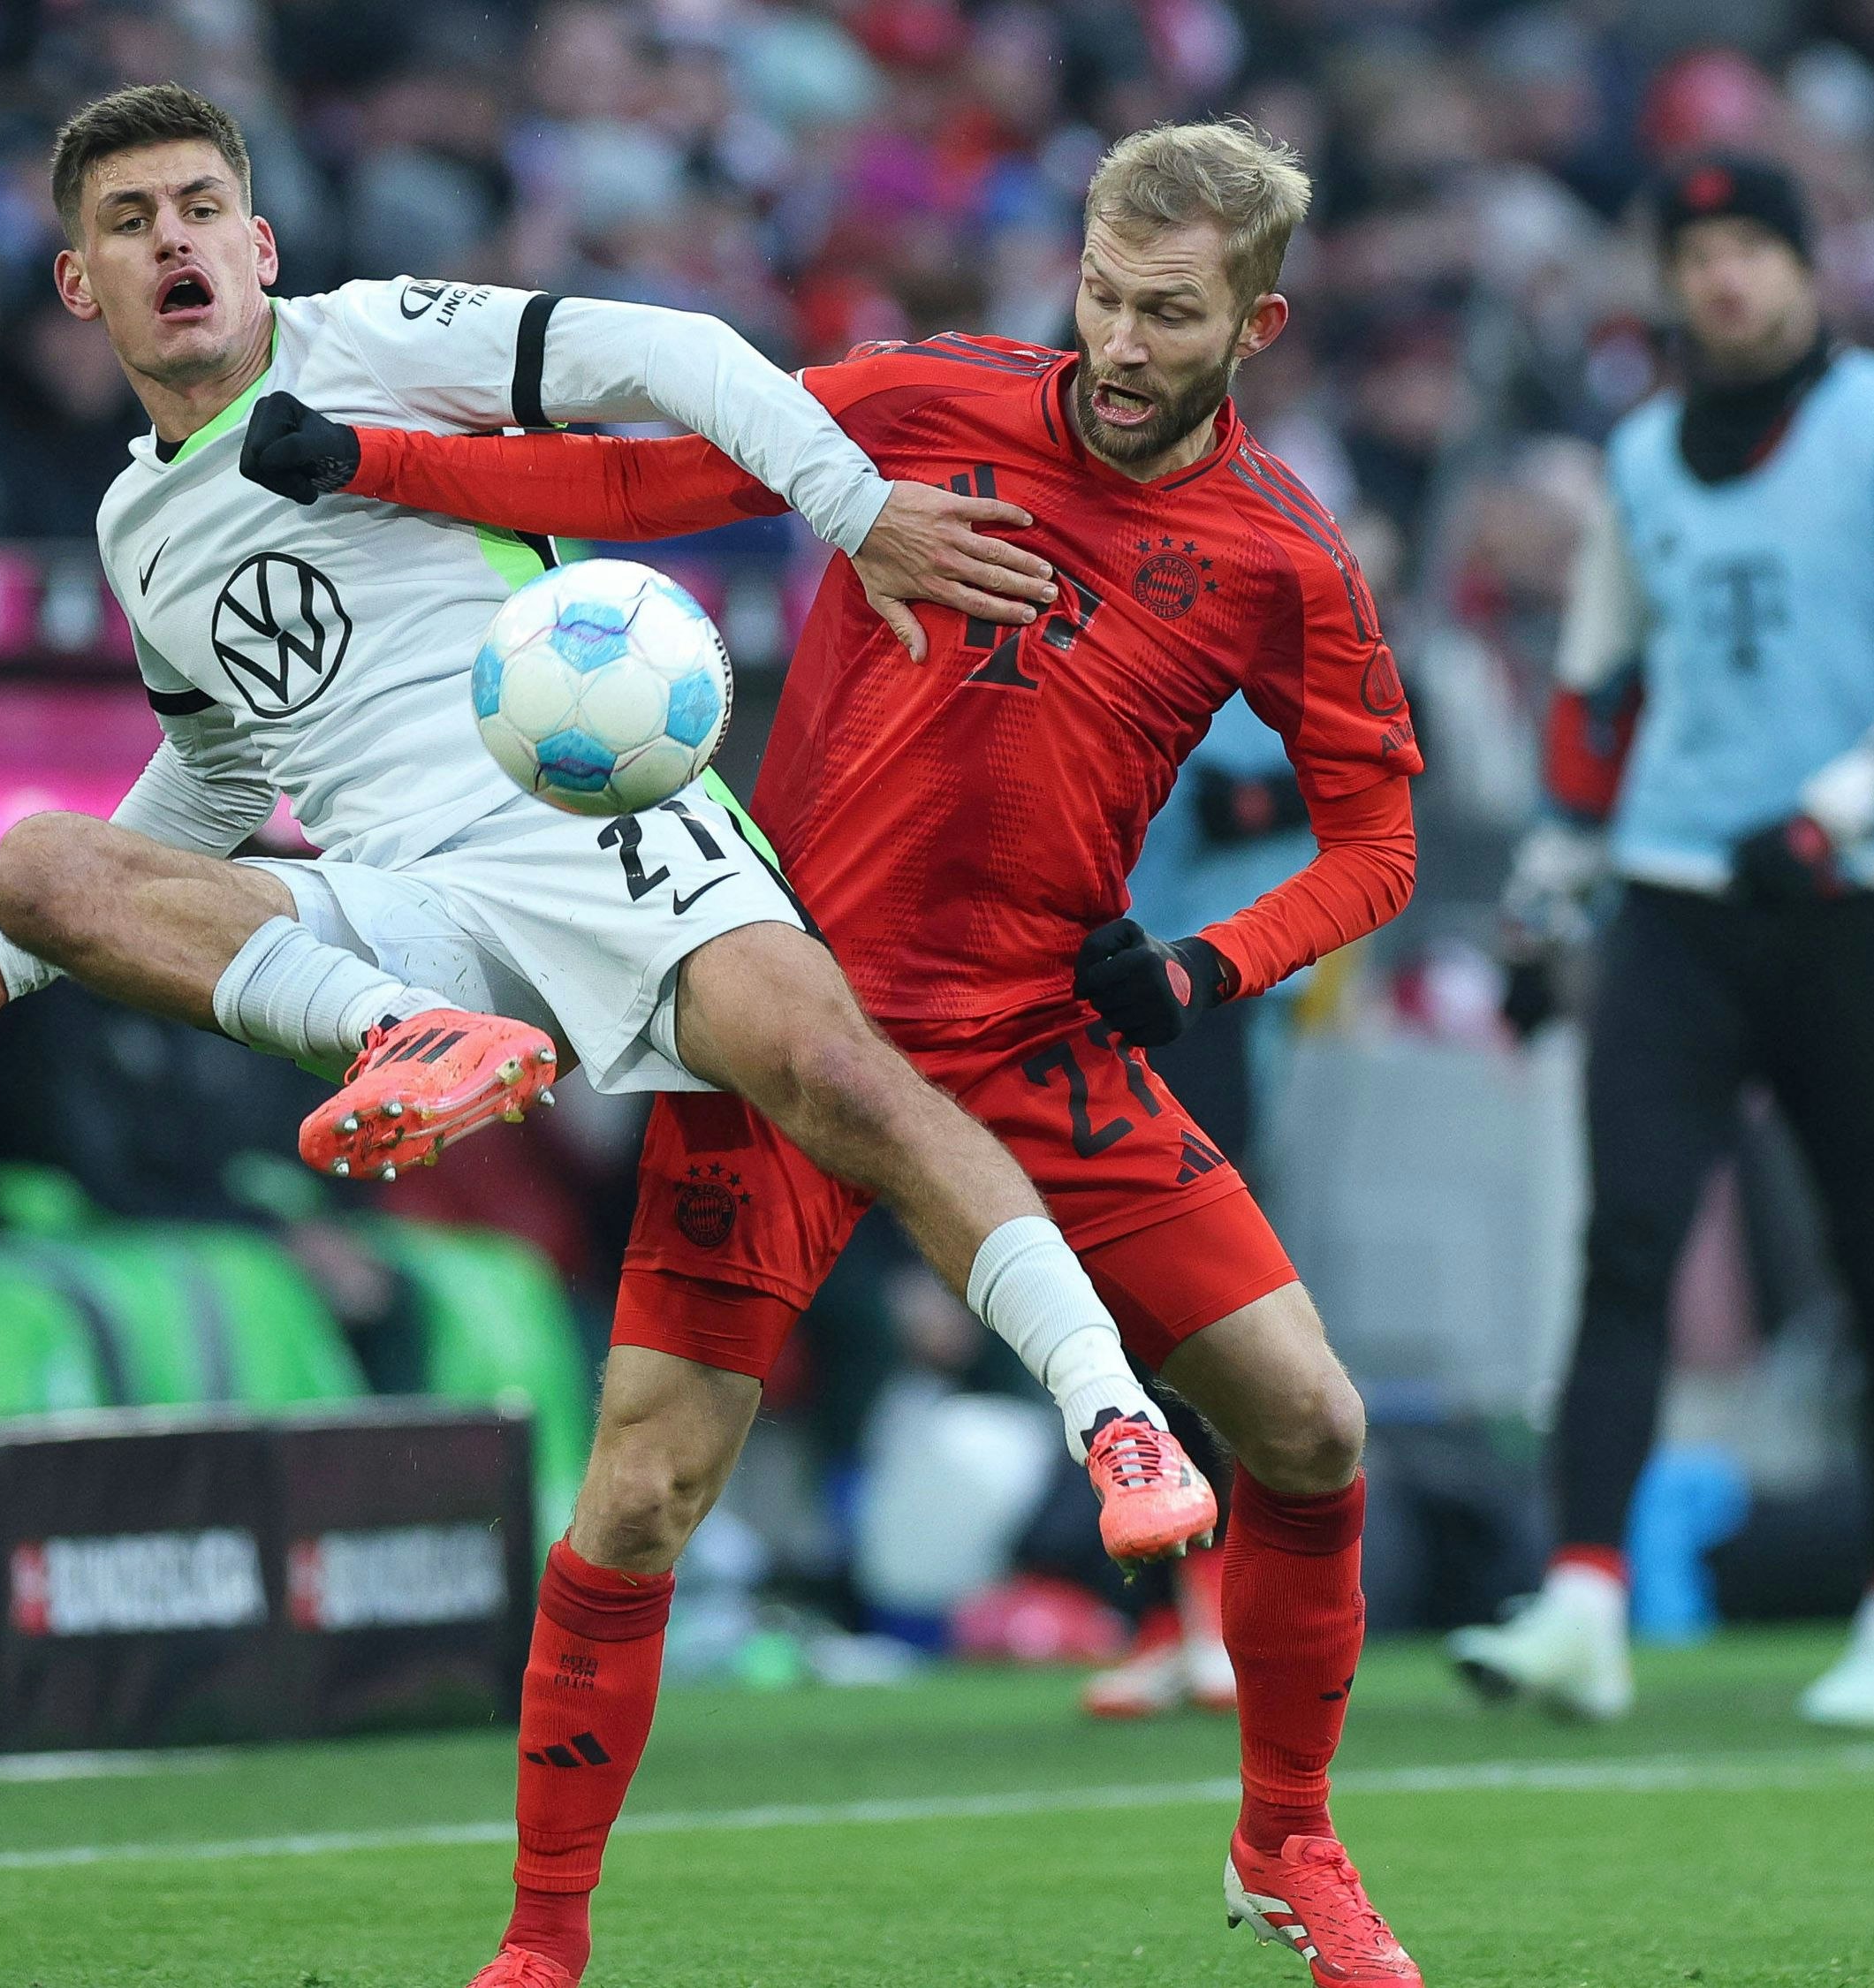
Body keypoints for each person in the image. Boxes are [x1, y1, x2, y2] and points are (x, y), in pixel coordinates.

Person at [264, 118, 1426, 1988]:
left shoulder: (1280, 554)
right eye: (1102, 298)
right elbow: (658, 479)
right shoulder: (921, 402)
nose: (1120, 345)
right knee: (640, 1486)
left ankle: (1287, 1836)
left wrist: (1204, 973)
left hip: (1041, 1037)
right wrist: (378, 462)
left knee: (1310, 1421)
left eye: (1169, 315)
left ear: (1258, 323)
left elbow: (1376, 840)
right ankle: (538, 1947)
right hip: (786, 1019)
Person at [0, 89, 1214, 1595]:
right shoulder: (135, 524)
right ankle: (409, 1033)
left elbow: (674, 353)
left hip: (588, 810)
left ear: (258, 241)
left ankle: (1118, 1420)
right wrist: (2, 961)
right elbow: (218, 767)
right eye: (128, 221)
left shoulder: (368, 340)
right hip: (407, 905)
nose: (172, 238)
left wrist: (859, 508)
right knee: (37, 867)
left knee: (843, 1085)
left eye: (197, 208)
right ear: (77, 282)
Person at [1457, 155, 1874, 1729]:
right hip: (1685, 899)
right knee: (1623, 1240)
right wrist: (1546, 903)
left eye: (1754, 246)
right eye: (1697, 249)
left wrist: (1840, 811)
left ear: (1809, 266)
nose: (1725, 278)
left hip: (1855, 902)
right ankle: (1583, 1597)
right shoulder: (1637, 455)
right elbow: (1598, 688)